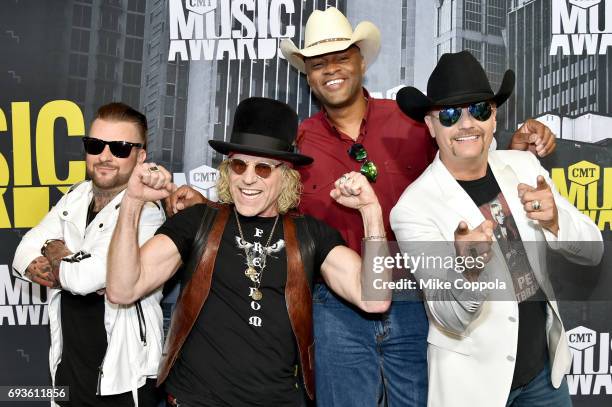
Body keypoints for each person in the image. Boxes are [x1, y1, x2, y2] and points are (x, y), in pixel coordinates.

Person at [277, 7, 558, 406]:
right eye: (319, 64)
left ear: (361, 60)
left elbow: (469, 161)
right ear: (307, 74)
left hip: (416, 301)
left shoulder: (414, 124)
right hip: (336, 307)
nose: (332, 70)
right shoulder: (298, 144)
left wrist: (513, 154)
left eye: (341, 58)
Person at [106, 97, 391, 406]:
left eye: (264, 168)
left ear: (287, 174)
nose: (249, 178)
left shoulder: (311, 234)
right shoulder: (197, 222)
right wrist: (132, 202)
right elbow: (123, 289)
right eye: (239, 165)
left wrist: (370, 211)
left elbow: (374, 299)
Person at [390, 50, 604, 407]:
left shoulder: (523, 166)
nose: (466, 124)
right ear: (429, 125)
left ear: (493, 117)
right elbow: (450, 318)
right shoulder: (413, 209)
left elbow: (593, 250)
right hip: (475, 390)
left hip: (544, 376)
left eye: (478, 110)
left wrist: (555, 221)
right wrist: (469, 270)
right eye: (448, 115)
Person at [12, 103, 165, 406]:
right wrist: (58, 257)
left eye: (120, 148)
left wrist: (55, 250)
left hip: (123, 379)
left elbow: (85, 278)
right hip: (68, 371)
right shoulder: (76, 194)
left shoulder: (146, 212)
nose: (104, 157)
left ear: (141, 156)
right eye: (95, 145)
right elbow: (24, 250)